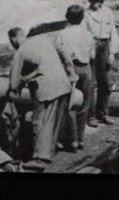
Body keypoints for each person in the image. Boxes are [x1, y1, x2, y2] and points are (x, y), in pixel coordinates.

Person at [4, 25, 73, 162]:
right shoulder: (43, 39)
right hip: (63, 84)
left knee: (40, 121)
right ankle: (51, 151)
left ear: (13, 39)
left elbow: (13, 84)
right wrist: (70, 68)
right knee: (54, 121)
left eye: (11, 42)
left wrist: (16, 88)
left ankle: (40, 157)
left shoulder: (20, 52)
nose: (11, 45)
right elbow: (61, 49)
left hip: (46, 88)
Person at [51, 3, 96, 148]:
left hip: (70, 69)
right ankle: (81, 139)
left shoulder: (62, 34)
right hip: (86, 69)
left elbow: (58, 53)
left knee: (69, 104)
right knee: (85, 104)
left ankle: (72, 139)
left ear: (67, 18)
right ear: (82, 18)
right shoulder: (88, 34)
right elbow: (92, 54)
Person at [82, 0, 118, 125]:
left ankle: (102, 113)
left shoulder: (107, 11)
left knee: (105, 82)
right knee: (90, 83)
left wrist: (112, 52)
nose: (99, 2)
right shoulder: (85, 14)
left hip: (105, 46)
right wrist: (89, 50)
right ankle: (90, 116)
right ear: (90, 0)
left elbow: (113, 32)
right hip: (91, 46)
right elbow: (83, 34)